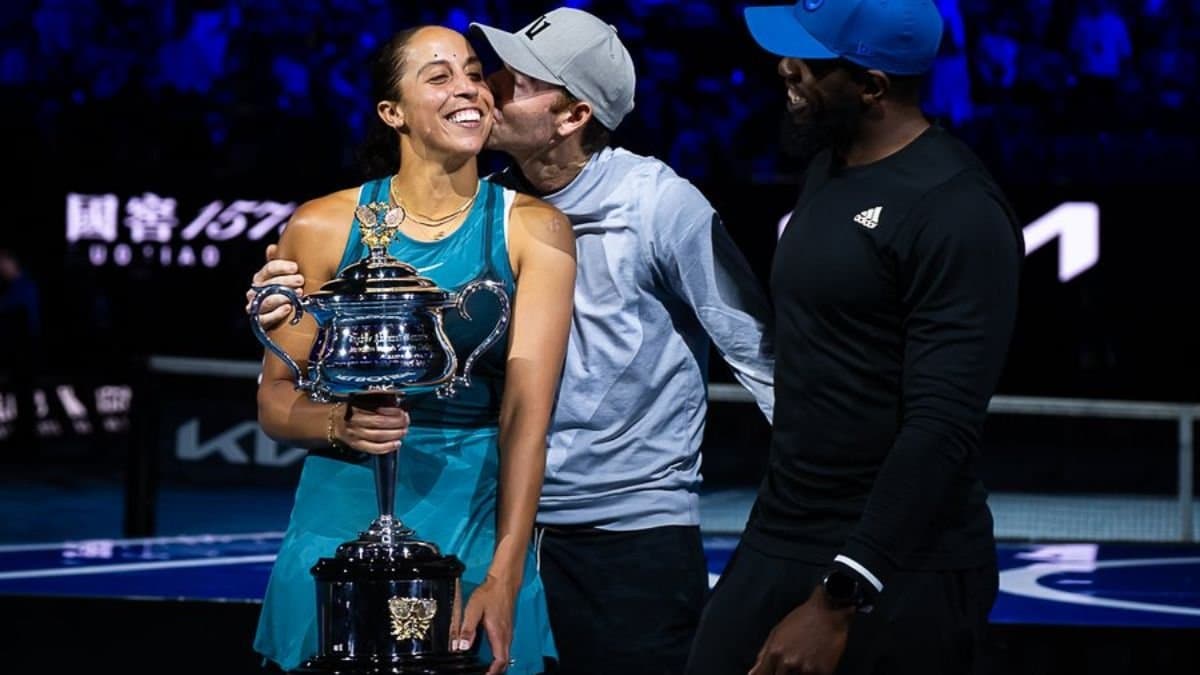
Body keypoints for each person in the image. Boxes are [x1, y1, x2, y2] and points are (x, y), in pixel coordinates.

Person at [248, 8, 775, 674]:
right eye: (464, 74)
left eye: (504, 79)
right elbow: (281, 389)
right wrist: (298, 329)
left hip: (616, 526)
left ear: (573, 116)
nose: (484, 88)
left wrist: (822, 524)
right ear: (392, 111)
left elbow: (757, 354)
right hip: (465, 507)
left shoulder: (644, 206)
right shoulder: (436, 203)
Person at [685, 2, 1024, 674]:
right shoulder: (830, 166)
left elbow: (943, 425)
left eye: (811, 61)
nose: (786, 68)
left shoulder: (959, 211)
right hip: (785, 525)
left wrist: (842, 594)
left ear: (872, 85)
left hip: (901, 561)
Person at [251, 25, 575, 675]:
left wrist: (506, 572)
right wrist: (341, 422)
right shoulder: (321, 224)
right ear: (392, 112)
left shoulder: (536, 228)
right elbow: (275, 401)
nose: (469, 89)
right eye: (439, 76)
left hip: (472, 513)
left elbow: (525, 419)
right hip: (338, 512)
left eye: (475, 73)